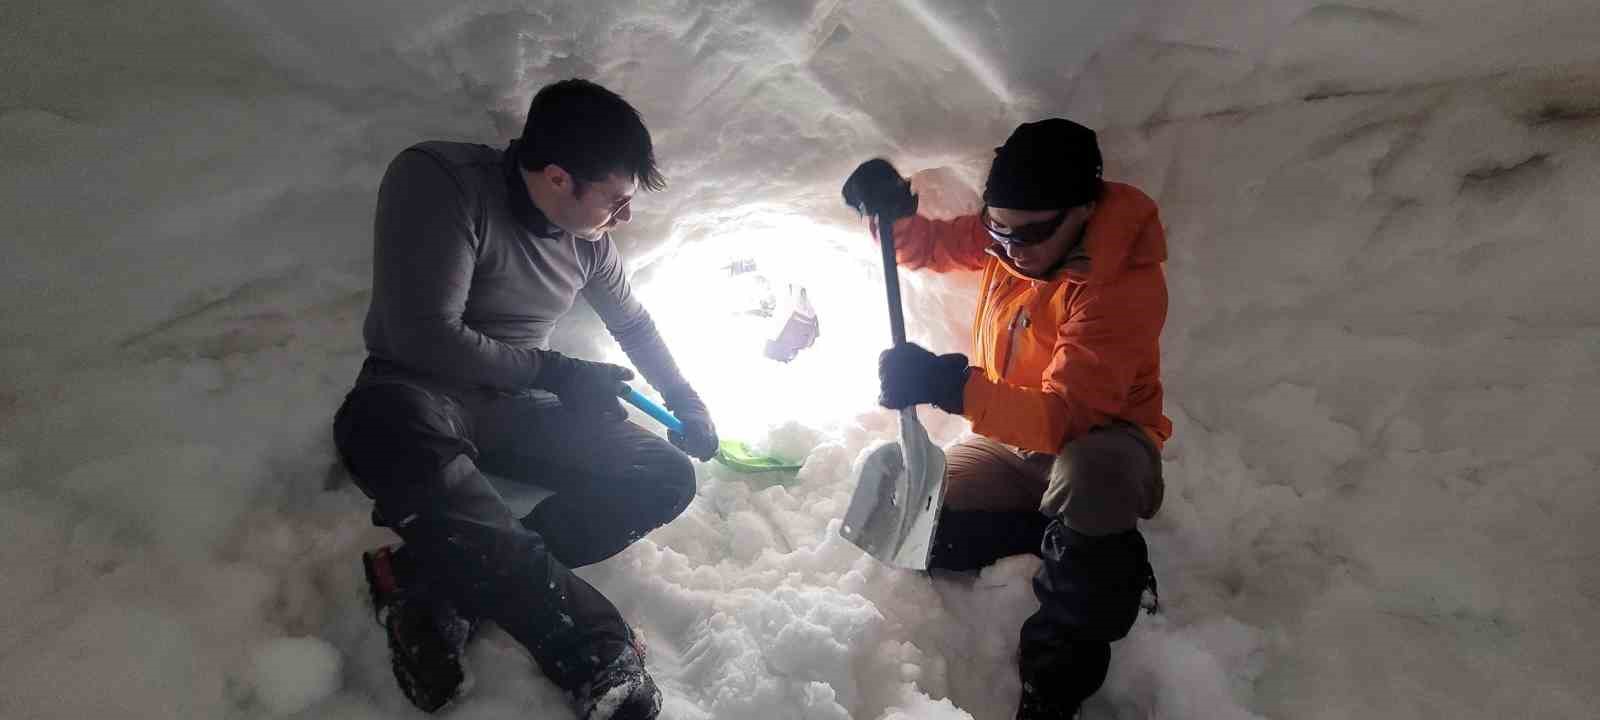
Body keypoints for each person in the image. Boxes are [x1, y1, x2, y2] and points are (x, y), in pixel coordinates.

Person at [332, 79, 719, 720]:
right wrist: (558, 372)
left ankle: (429, 581)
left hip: (517, 404)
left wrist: (686, 399)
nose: (623, 219)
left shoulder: (588, 242)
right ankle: (595, 650)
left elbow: (634, 325)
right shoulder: (440, 181)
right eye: (616, 202)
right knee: (383, 427)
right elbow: (423, 335)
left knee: (662, 475)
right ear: (560, 178)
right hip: (416, 391)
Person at [841, 118, 1170, 719]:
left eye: (1028, 235)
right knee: (928, 533)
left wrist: (949, 384)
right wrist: (890, 212)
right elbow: (928, 247)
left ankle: (1058, 678)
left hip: (1100, 444)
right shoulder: (1012, 233)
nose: (1008, 248)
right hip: (1008, 440)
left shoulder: (1120, 283)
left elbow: (1066, 419)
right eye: (998, 229)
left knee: (1093, 476)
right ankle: (1075, 543)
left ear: (1082, 210)